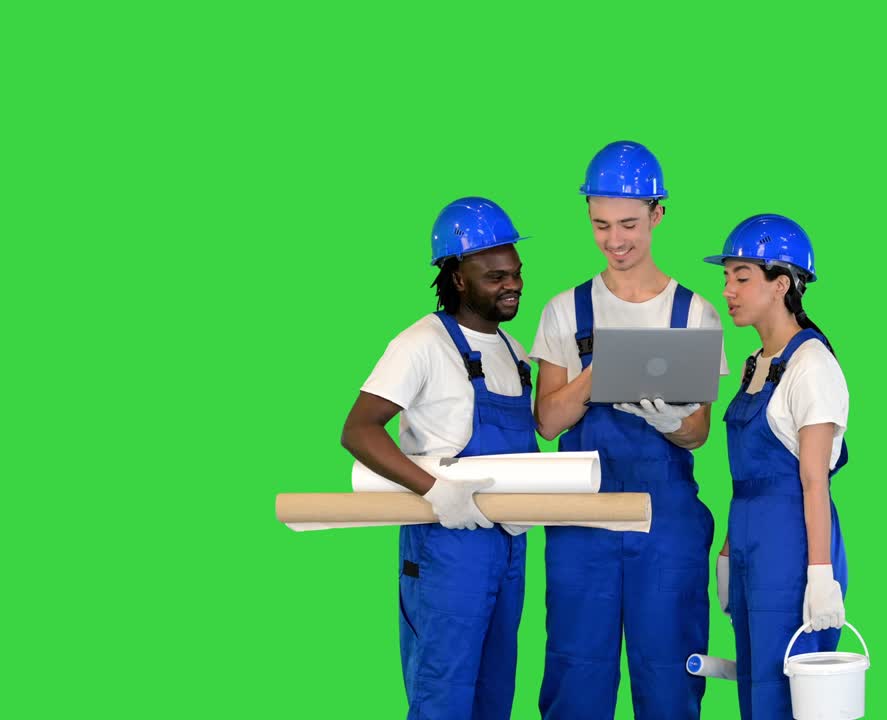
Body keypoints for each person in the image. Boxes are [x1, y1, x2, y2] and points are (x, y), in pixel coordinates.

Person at [530, 141, 727, 719]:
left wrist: (668, 418)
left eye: (629, 224)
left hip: (665, 524)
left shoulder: (694, 314)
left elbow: (697, 433)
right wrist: (600, 374)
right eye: (600, 224)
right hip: (581, 522)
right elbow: (547, 421)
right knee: (575, 671)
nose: (615, 240)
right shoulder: (565, 310)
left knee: (668, 672)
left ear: (657, 214)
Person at [340, 197, 536, 720]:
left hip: (509, 545)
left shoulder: (517, 354)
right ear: (456, 279)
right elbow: (358, 430)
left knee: (495, 690)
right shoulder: (421, 343)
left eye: (515, 273)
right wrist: (433, 490)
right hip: (446, 546)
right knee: (443, 691)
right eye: (495, 277)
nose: (512, 284)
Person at [703, 214, 851, 720]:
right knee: (753, 684)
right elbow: (743, 477)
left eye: (742, 277)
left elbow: (813, 479)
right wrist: (727, 552)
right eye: (726, 277)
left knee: (785, 692)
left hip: (792, 544)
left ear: (781, 284)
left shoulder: (811, 366)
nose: (728, 290)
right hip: (749, 540)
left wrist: (820, 575)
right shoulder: (754, 364)